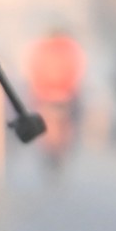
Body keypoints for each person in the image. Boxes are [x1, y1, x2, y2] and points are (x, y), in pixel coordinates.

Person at [27, 26, 86, 169]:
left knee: (46, 126)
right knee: (69, 123)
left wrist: (36, 92)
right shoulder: (70, 47)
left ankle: (49, 148)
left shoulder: (42, 47)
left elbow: (34, 69)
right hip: (65, 95)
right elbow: (77, 70)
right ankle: (64, 147)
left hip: (45, 95)